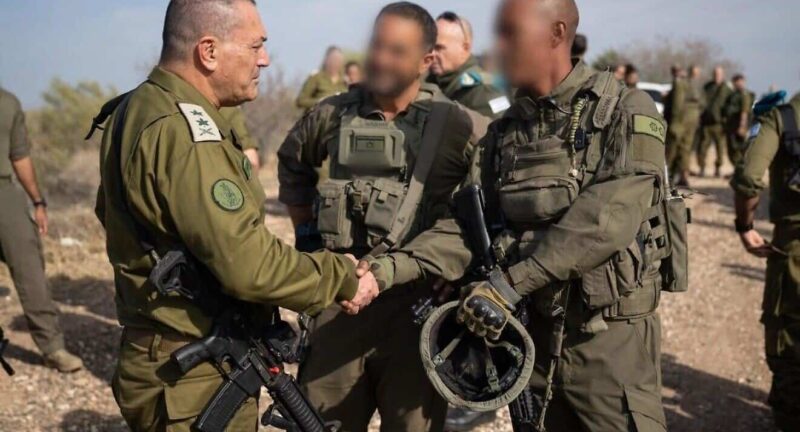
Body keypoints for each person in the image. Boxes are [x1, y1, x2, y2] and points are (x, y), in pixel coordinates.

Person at [361, 0, 676, 430]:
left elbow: (604, 221)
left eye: (512, 34)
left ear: (556, 33)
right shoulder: (504, 133)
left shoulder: (623, 110)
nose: (500, 48)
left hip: (607, 345)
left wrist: (507, 286)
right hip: (529, 341)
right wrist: (385, 270)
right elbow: (464, 224)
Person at [93, 1, 379, 430]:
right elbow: (248, 264)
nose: (264, 59)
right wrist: (340, 277)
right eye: (255, 45)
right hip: (191, 373)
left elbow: (113, 214)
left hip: (167, 355)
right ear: (208, 51)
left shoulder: (140, 106)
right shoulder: (185, 132)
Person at [278, 3, 481, 431]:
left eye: (397, 51)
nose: (381, 59)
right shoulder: (332, 113)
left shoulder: (457, 125)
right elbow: (292, 163)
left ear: (426, 60)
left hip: (417, 314)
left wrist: (461, 270)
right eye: (376, 46)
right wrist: (308, 237)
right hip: (339, 306)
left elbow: (489, 201)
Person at [0, 88, 83, 373]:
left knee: (30, 270)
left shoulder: (8, 102)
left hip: (5, 194)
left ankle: (52, 347)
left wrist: (37, 201)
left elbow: (19, 156)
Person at [730, 92, 800, 432]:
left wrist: (745, 226)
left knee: (790, 351)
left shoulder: (782, 117)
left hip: (794, 255)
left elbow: (748, 178)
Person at [427, 11, 510, 119]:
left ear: (465, 48)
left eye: (439, 48)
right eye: (430, 48)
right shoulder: (431, 82)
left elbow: (500, 126)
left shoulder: (483, 91)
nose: (432, 54)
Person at [666, 65, 703, 186]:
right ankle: (683, 176)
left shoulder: (679, 83)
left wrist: (674, 122)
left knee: (672, 148)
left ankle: (667, 175)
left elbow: (677, 104)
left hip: (680, 120)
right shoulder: (692, 84)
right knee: (685, 148)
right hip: (691, 119)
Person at [696, 66, 732, 177]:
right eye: (715, 74)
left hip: (719, 124)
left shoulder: (727, 89)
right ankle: (702, 168)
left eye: (719, 74)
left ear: (723, 75)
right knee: (702, 147)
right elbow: (701, 101)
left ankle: (718, 168)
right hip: (706, 123)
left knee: (720, 149)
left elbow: (730, 105)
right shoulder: (707, 87)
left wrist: (726, 119)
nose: (717, 76)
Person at [296, 45, 348, 111]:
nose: (335, 62)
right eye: (333, 59)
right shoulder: (316, 77)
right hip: (317, 114)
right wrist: (320, 101)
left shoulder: (346, 80)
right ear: (326, 60)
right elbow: (301, 101)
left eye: (338, 60)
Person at [723, 74, 755, 168]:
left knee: (739, 149)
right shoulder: (733, 94)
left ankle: (740, 171)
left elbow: (744, 111)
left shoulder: (744, 94)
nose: (738, 84)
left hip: (739, 126)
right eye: (736, 82)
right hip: (732, 126)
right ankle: (737, 170)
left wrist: (742, 126)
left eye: (740, 82)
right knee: (732, 149)